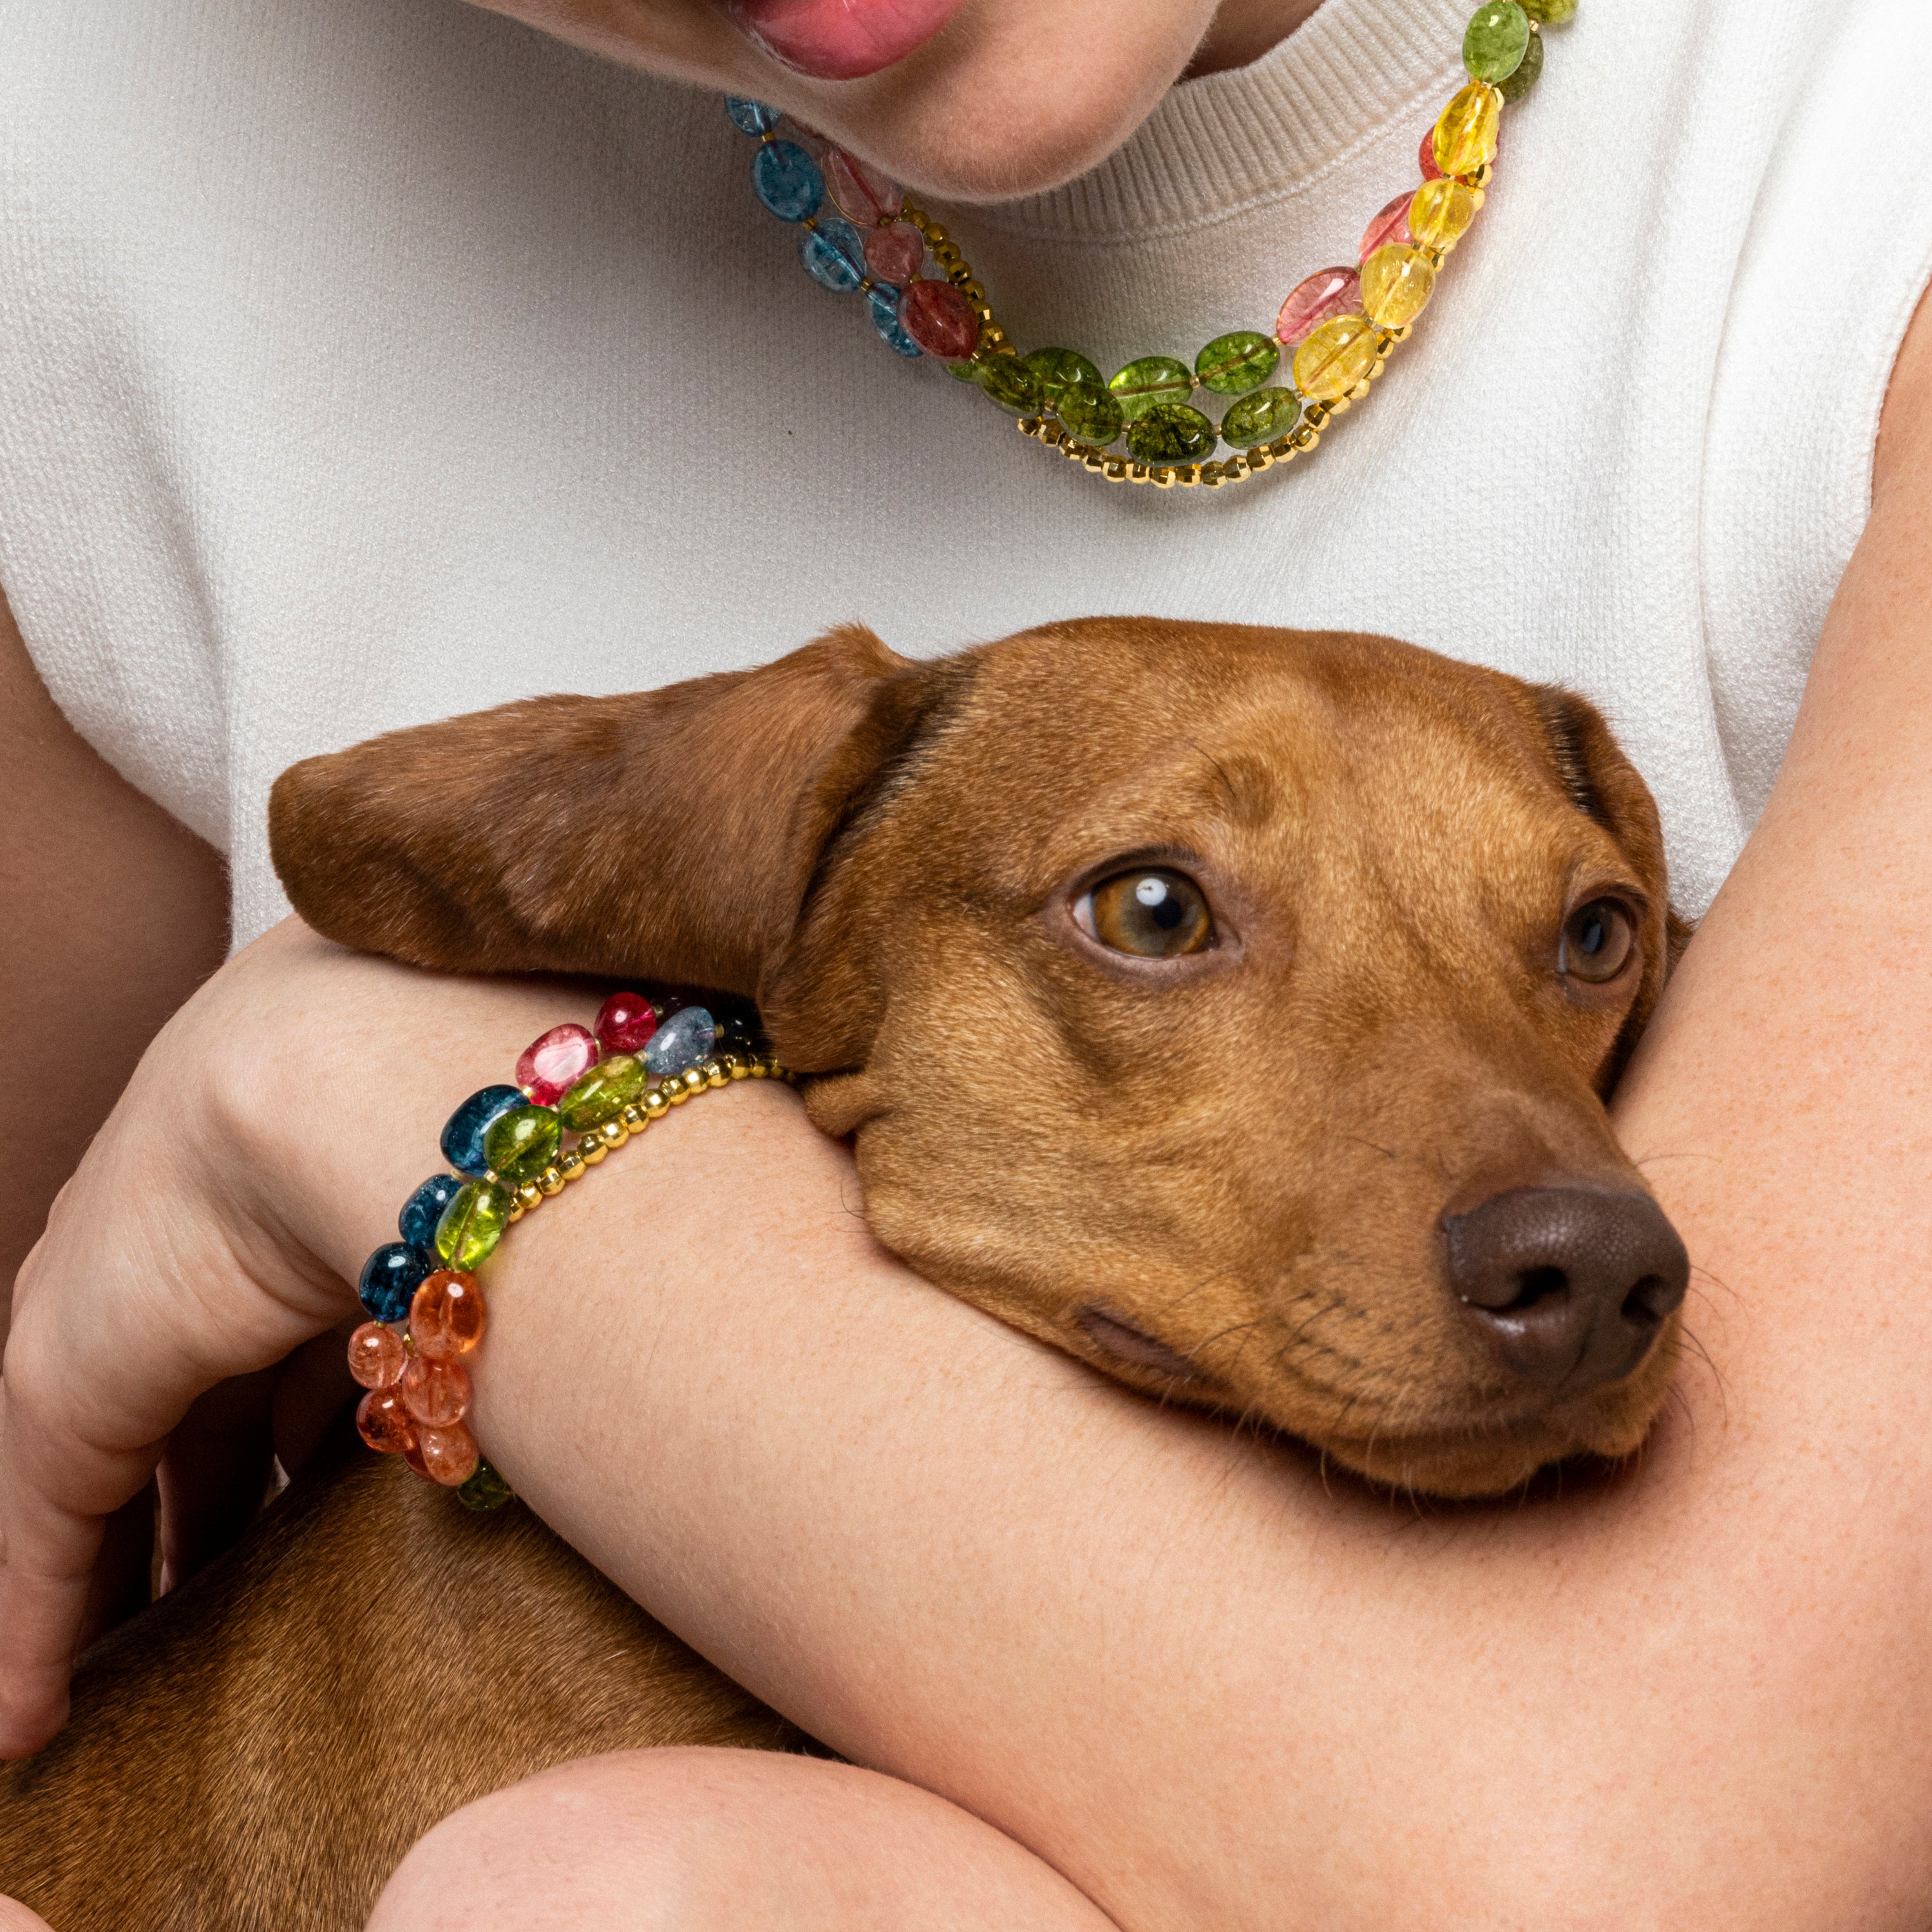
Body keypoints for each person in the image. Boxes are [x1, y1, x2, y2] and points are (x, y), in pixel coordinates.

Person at [3, 0, 1931, 1922]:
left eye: (1588, 936)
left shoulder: (1844, 157)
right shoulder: (122, 152)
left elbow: (1631, 1867)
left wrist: (367, 1095)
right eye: (1156, 914)